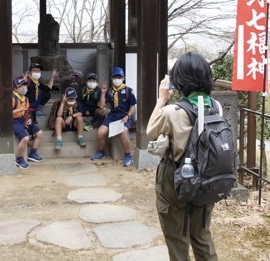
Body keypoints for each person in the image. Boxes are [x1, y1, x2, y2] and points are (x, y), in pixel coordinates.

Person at [146, 52, 219, 261]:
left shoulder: (173, 111)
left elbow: (150, 130)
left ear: (180, 80)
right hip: (207, 177)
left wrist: (162, 99)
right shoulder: (216, 107)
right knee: (202, 235)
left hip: (176, 176)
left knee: (178, 238)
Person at [90, 67, 136, 167]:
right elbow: (102, 106)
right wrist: (102, 93)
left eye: (119, 77)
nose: (117, 79)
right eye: (115, 77)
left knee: (122, 133)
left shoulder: (128, 90)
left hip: (124, 115)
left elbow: (133, 106)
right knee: (100, 133)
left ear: (123, 78)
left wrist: (128, 116)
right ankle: (101, 151)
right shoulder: (109, 91)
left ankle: (128, 156)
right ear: (111, 78)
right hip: (113, 115)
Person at [12, 77, 44, 169]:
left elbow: (27, 111)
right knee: (25, 138)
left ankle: (32, 154)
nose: (23, 88)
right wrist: (19, 110)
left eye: (25, 86)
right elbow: (5, 114)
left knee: (39, 133)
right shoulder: (12, 98)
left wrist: (28, 118)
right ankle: (19, 158)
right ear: (15, 88)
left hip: (23, 119)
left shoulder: (25, 99)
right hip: (14, 120)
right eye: (21, 86)